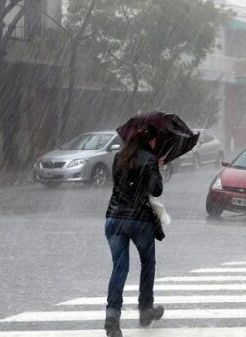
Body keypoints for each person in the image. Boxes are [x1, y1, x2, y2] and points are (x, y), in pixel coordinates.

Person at [104, 125, 164, 337]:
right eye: (156, 141)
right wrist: (157, 167)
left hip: (113, 218)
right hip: (138, 220)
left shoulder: (119, 157)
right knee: (148, 263)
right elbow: (156, 190)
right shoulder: (149, 159)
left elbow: (120, 185)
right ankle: (145, 309)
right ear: (151, 141)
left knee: (119, 268)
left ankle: (112, 317)